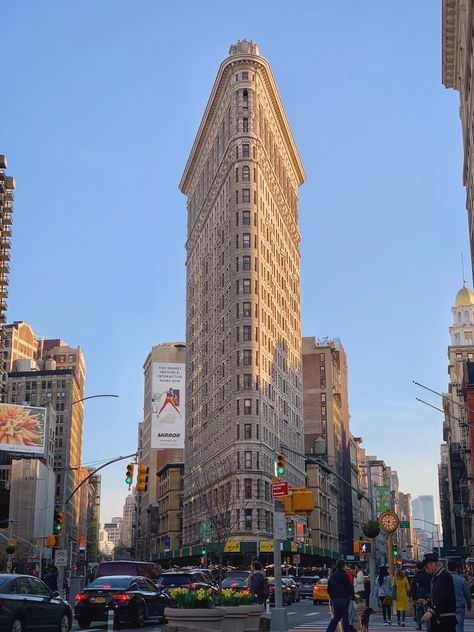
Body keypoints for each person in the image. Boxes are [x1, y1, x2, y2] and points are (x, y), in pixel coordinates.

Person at [421, 553, 456, 632]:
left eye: (427, 567)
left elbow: (443, 596)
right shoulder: (437, 577)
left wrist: (431, 611)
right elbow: (437, 596)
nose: (427, 570)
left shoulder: (445, 576)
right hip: (439, 618)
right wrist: (428, 601)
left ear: (433, 564)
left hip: (445, 619)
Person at [326, 559, 354, 632]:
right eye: (345, 565)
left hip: (335, 599)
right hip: (344, 599)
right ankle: (346, 630)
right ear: (343, 566)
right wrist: (353, 597)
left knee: (336, 617)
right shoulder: (345, 575)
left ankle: (329, 630)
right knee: (345, 617)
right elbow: (349, 588)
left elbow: (328, 589)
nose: (346, 567)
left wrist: (332, 598)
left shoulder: (332, 576)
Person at [448, 560, 471, 632]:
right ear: (456, 568)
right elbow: (467, 594)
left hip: (448, 607)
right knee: (459, 627)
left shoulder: (445, 579)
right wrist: (469, 605)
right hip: (459, 606)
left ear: (448, 568)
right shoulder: (462, 580)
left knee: (449, 627)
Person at [410, 561, 432, 630]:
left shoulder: (416, 576)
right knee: (427, 611)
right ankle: (428, 627)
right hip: (427, 596)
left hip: (418, 596)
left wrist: (413, 597)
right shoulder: (428, 575)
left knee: (418, 611)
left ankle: (419, 625)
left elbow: (413, 587)